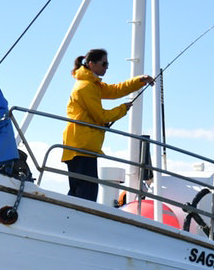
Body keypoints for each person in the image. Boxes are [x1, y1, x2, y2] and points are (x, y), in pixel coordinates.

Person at [61, 48, 153, 201]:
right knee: (86, 193)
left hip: (83, 147)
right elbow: (101, 117)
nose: (107, 67)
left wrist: (139, 81)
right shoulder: (85, 87)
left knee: (80, 191)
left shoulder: (92, 84)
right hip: (80, 148)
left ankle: (67, 220)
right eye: (104, 64)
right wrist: (122, 109)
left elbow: (114, 90)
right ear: (91, 64)